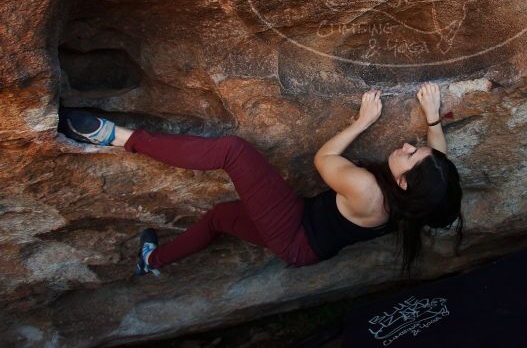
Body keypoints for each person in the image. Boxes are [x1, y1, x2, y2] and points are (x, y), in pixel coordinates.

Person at [58, 82, 464, 278]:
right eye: (417, 147)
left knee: (234, 151)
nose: (408, 146)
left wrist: (362, 122)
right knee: (218, 218)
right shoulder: (425, 202)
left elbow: (324, 158)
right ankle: (152, 261)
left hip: (294, 234)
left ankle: (118, 138)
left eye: (412, 154)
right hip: (305, 245)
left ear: (406, 184)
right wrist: (432, 115)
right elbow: (439, 166)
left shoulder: (368, 190)